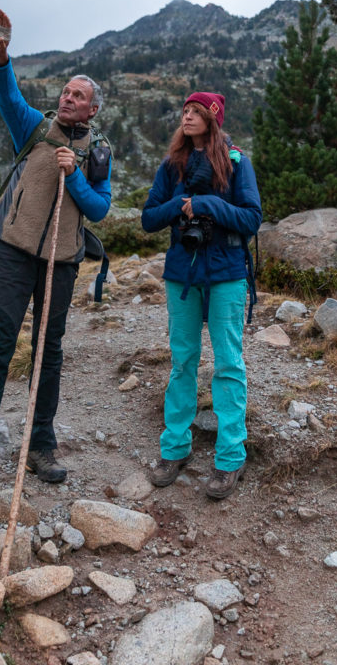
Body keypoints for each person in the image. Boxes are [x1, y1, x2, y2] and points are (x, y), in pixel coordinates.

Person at [0, 9, 111, 494]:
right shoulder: (34, 128)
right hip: (14, 253)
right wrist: (0, 55)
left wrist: (75, 175)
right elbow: (6, 94)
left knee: (47, 353)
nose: (68, 97)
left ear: (93, 109)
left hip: (63, 260)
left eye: (79, 95)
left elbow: (99, 209)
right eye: (67, 91)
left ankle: (39, 447)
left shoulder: (98, 151)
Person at [141, 91, 261, 500]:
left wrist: (208, 204)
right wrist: (180, 206)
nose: (187, 116)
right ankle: (174, 449)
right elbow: (148, 218)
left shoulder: (237, 162)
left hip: (227, 274)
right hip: (183, 275)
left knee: (228, 363)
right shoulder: (171, 165)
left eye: (195, 111)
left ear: (213, 119)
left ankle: (230, 457)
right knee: (182, 361)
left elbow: (251, 218)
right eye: (185, 110)